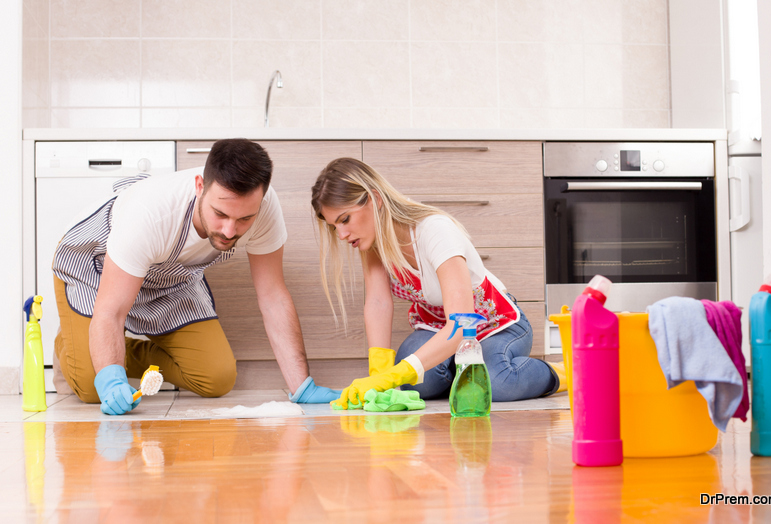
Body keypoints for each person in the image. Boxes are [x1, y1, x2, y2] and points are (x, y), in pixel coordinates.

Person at [52, 138, 339, 415]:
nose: (229, 231)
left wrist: (301, 386)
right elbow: (111, 311)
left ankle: (116, 350)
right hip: (96, 268)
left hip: (169, 278)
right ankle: (73, 344)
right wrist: (112, 378)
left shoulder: (264, 208)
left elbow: (273, 296)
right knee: (92, 386)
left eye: (243, 219)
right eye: (220, 213)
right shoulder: (149, 214)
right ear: (200, 186)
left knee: (216, 377)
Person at [311, 157, 566, 409]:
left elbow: (461, 319)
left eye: (345, 220)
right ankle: (465, 370)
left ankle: (566, 372)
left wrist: (393, 376)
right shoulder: (373, 244)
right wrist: (380, 376)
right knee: (418, 384)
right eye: (335, 227)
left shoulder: (435, 231)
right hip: (437, 326)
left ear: (376, 199)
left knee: (497, 384)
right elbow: (378, 302)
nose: (342, 235)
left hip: (495, 324)